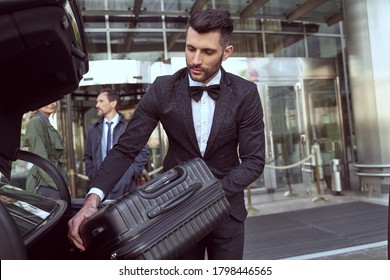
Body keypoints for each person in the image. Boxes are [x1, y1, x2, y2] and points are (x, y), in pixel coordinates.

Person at [68, 9, 265, 260]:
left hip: (227, 213)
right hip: (175, 215)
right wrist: (91, 201)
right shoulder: (163, 89)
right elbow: (126, 148)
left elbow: (254, 161)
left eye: (207, 51)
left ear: (227, 53)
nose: (195, 60)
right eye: (190, 48)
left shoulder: (245, 93)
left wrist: (211, 193)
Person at [84, 88, 150, 199]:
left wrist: (131, 173)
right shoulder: (93, 130)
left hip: (126, 186)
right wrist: (93, 175)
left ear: (113, 103)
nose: (97, 105)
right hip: (100, 187)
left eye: (101, 101)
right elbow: (88, 157)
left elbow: (143, 152)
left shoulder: (128, 127)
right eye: (97, 101)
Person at [23, 101, 69, 200]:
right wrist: (59, 185)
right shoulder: (36, 122)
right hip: (45, 182)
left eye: (55, 100)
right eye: (47, 100)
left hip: (53, 178)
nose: (52, 103)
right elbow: (41, 158)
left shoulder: (45, 122)